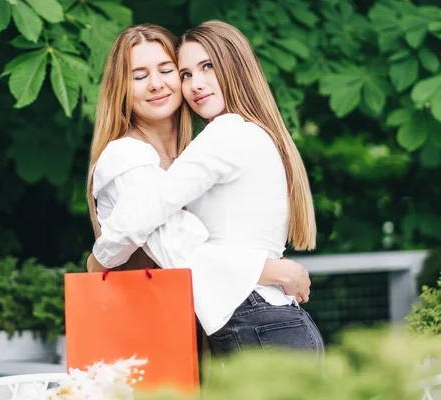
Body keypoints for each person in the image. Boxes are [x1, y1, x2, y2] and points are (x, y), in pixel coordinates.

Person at [89, 20, 324, 358]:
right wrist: (267, 268)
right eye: (186, 73)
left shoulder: (221, 137)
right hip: (252, 321)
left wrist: (102, 256)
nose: (194, 84)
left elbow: (154, 218)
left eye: (169, 70)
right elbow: (175, 244)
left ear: (234, 68)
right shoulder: (131, 154)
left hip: (254, 321)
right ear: (121, 89)